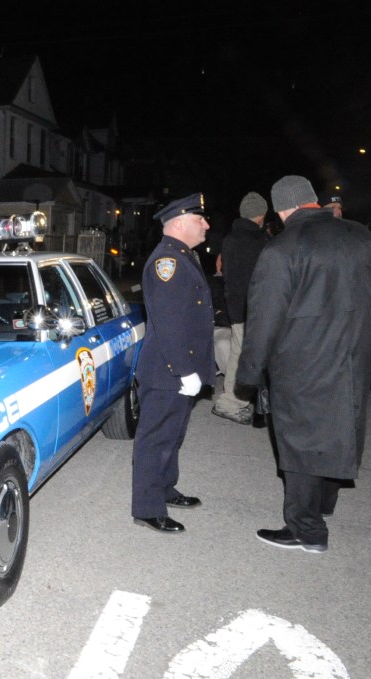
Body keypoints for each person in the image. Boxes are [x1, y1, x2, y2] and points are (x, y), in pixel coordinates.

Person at [238, 175, 371, 553]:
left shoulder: (283, 248)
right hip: (353, 356)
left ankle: (307, 530)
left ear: (282, 208)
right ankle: (324, 505)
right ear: (313, 202)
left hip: (302, 362)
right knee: (340, 426)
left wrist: (250, 373)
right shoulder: (361, 236)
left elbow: (264, 318)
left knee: (300, 442)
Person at [132, 193, 216, 533]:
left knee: (172, 435)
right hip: (169, 369)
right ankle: (148, 508)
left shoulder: (182, 256)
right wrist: (184, 371)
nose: (207, 224)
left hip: (180, 368)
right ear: (180, 223)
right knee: (156, 439)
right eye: (200, 219)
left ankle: (165, 488)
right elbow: (169, 324)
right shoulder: (167, 262)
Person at [212, 191, 269, 425]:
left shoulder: (230, 240)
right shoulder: (261, 242)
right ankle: (233, 403)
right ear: (261, 216)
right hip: (256, 309)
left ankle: (234, 400)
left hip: (235, 306)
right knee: (248, 356)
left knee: (238, 352)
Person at [208, 253, 232, 375]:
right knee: (223, 343)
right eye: (220, 260)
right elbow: (208, 310)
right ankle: (235, 386)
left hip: (236, 325)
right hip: (219, 326)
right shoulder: (208, 283)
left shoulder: (238, 282)